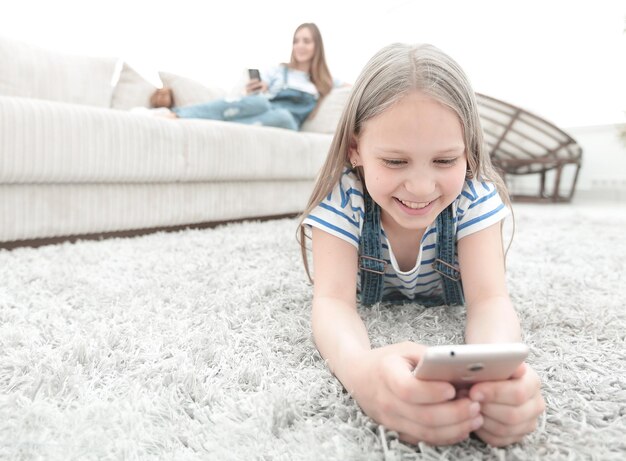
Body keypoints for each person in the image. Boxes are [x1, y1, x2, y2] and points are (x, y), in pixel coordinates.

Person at [297, 43, 545, 447]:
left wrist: (497, 377)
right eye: (395, 162)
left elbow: (489, 300)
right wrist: (360, 373)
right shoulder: (343, 198)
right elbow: (332, 302)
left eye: (446, 161)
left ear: (468, 150)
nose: (421, 187)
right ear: (355, 149)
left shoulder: (474, 196)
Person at [152, 23, 339, 130]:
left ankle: (216, 126)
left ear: (317, 46)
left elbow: (354, 87)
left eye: (306, 41)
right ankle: (179, 114)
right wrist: (261, 88)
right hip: (266, 107)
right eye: (296, 41)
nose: (299, 45)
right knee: (260, 102)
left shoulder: (324, 81)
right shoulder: (279, 71)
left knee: (281, 115)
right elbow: (261, 90)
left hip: (288, 120)